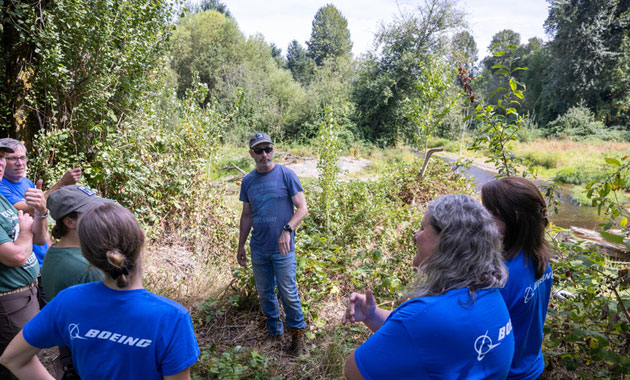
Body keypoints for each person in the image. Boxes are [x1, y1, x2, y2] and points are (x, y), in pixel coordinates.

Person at [0, 202, 200, 380]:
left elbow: (13, 359)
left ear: (86, 252)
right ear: (141, 236)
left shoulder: (69, 300)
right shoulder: (172, 318)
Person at [342, 194, 514, 380]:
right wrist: (372, 315)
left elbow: (355, 371)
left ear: (447, 241)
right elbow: (429, 338)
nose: (416, 236)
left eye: (423, 228)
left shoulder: (425, 315)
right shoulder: (489, 295)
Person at [237, 132, 308, 354]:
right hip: (259, 249)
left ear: (273, 150)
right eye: (259, 150)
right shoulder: (248, 181)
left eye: (268, 149)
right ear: (252, 154)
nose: (264, 154)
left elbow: (302, 208)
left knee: (288, 291)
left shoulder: (286, 175)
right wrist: (240, 245)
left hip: (283, 249)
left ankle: (298, 338)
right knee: (265, 292)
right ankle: (275, 333)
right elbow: (246, 215)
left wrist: (287, 229)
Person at [481, 177, 553, 380]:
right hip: (531, 367)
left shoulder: (502, 276)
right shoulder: (539, 256)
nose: (483, 217)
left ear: (513, 217)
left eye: (489, 211)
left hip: (508, 374)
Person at [0, 141, 49, 380]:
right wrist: (26, 230)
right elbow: (16, 256)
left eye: (2, 158)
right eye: (9, 158)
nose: (2, 164)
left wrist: (41, 211)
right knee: (16, 363)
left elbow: (41, 238)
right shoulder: (5, 194)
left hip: (27, 291)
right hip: (8, 299)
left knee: (26, 356)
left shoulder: (8, 195)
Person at [0, 138, 81, 268]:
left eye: (22, 157)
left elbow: (39, 214)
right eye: (12, 158)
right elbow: (29, 209)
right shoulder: (1, 186)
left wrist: (50, 246)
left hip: (44, 259)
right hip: (27, 262)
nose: (19, 163)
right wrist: (62, 183)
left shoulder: (27, 182)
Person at [41, 185, 108, 299]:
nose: (102, 217)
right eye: (93, 213)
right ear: (70, 222)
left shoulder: (55, 251)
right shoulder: (89, 269)